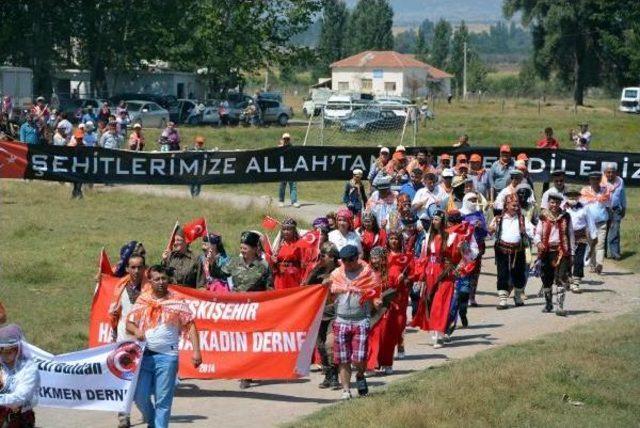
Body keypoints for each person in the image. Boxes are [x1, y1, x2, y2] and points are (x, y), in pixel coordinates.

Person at [127, 265, 202, 428]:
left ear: (168, 280)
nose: (161, 282)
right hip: (145, 356)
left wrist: (196, 352)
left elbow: (190, 326)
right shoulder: (143, 299)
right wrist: (137, 330)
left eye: (164, 278)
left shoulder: (176, 301)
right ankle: (153, 423)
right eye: (157, 279)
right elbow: (129, 323)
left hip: (167, 358)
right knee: (139, 396)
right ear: (150, 281)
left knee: (163, 400)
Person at [327, 245, 380, 399]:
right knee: (343, 358)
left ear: (357, 258)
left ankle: (360, 375)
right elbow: (330, 296)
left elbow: (375, 292)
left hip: (360, 320)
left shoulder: (368, 273)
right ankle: (346, 390)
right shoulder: (336, 274)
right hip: (341, 319)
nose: (347, 263)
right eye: (344, 260)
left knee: (359, 358)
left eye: (350, 260)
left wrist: (376, 301)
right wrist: (326, 289)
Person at [222, 231, 271, 389]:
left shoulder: (263, 266)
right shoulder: (234, 262)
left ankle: (247, 373)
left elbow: (270, 288)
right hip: (237, 308)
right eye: (241, 247)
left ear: (255, 248)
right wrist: (210, 262)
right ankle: (243, 370)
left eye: (246, 248)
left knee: (251, 341)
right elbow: (219, 274)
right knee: (239, 340)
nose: (242, 250)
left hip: (255, 309)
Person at [107, 254, 150, 428]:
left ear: (144, 268)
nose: (136, 270)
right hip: (124, 340)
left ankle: (148, 412)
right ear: (127, 269)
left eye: (140, 267)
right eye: (132, 267)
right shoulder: (120, 287)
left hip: (145, 341)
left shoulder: (150, 288)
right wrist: (113, 333)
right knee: (123, 379)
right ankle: (123, 416)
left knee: (143, 382)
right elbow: (114, 314)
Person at [303, 242, 340, 389]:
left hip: (336, 312)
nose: (324, 258)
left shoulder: (341, 271)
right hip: (319, 312)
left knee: (330, 345)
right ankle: (328, 375)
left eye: (326, 255)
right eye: (323, 255)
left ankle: (336, 375)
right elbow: (306, 288)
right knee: (320, 346)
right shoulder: (317, 271)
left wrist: (332, 282)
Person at [489, 194, 534, 309]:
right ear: (507, 205)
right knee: (502, 274)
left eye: (517, 205)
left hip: (518, 251)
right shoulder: (499, 219)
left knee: (519, 274)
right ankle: (503, 300)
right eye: (514, 205)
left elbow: (533, 231)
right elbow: (490, 231)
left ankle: (518, 297)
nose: (516, 208)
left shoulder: (522, 219)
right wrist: (492, 229)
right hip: (502, 250)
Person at [534, 192, 574, 316]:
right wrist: (538, 242)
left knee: (561, 277)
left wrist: (572, 252)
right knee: (546, 278)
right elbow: (537, 234)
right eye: (552, 202)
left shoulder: (566, 217)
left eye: (557, 203)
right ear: (548, 203)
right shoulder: (543, 217)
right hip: (546, 251)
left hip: (562, 251)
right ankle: (548, 304)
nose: (554, 205)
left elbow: (571, 234)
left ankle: (560, 306)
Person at [0, 324, 39, 428]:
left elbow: (21, 397)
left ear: (18, 349)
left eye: (8, 351)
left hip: (19, 415)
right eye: (0, 351)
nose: (4, 355)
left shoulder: (29, 368)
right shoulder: (1, 365)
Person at [565, 190, 596, 293]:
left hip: (580, 238)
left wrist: (594, 236)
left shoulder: (585, 208)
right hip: (566, 238)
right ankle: (567, 279)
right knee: (567, 260)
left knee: (579, 260)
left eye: (574, 198)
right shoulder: (562, 208)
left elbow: (590, 223)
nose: (572, 200)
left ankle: (576, 282)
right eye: (570, 197)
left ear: (578, 198)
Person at [580, 171, 612, 274]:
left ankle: (599, 265)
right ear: (589, 180)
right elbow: (581, 207)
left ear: (600, 180)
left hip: (602, 222)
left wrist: (609, 220)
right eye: (593, 179)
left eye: (597, 179)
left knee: (601, 244)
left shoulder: (605, 192)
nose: (595, 181)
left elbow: (608, 207)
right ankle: (593, 266)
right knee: (591, 244)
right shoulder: (584, 191)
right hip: (589, 224)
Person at [460, 193, 488, 308]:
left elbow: (485, 232)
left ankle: (472, 297)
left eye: (475, 200)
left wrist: (480, 226)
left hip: (478, 246)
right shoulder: (461, 213)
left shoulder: (479, 213)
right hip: (465, 247)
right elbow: (457, 229)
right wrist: (469, 225)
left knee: (475, 272)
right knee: (464, 271)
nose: (474, 202)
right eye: (471, 200)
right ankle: (463, 296)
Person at [271, 218, 304, 290]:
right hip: (280, 276)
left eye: (289, 229)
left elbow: (303, 263)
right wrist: (273, 260)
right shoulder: (279, 245)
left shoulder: (299, 244)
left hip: (293, 276)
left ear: (294, 231)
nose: (286, 232)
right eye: (284, 229)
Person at [603, 164, 626, 261]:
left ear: (616, 172)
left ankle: (615, 253)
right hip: (603, 209)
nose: (611, 174)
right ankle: (602, 252)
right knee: (603, 231)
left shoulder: (620, 181)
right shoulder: (601, 181)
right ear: (605, 173)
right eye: (608, 172)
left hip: (616, 209)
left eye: (613, 172)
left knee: (615, 231)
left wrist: (624, 208)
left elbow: (622, 195)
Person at [277, 133, 300, 208]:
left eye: (287, 139)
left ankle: (294, 201)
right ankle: (281, 201)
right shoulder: (279, 148)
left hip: (291, 170)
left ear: (289, 140)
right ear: (282, 139)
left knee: (293, 186)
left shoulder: (292, 148)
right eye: (285, 139)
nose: (286, 140)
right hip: (282, 170)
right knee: (282, 186)